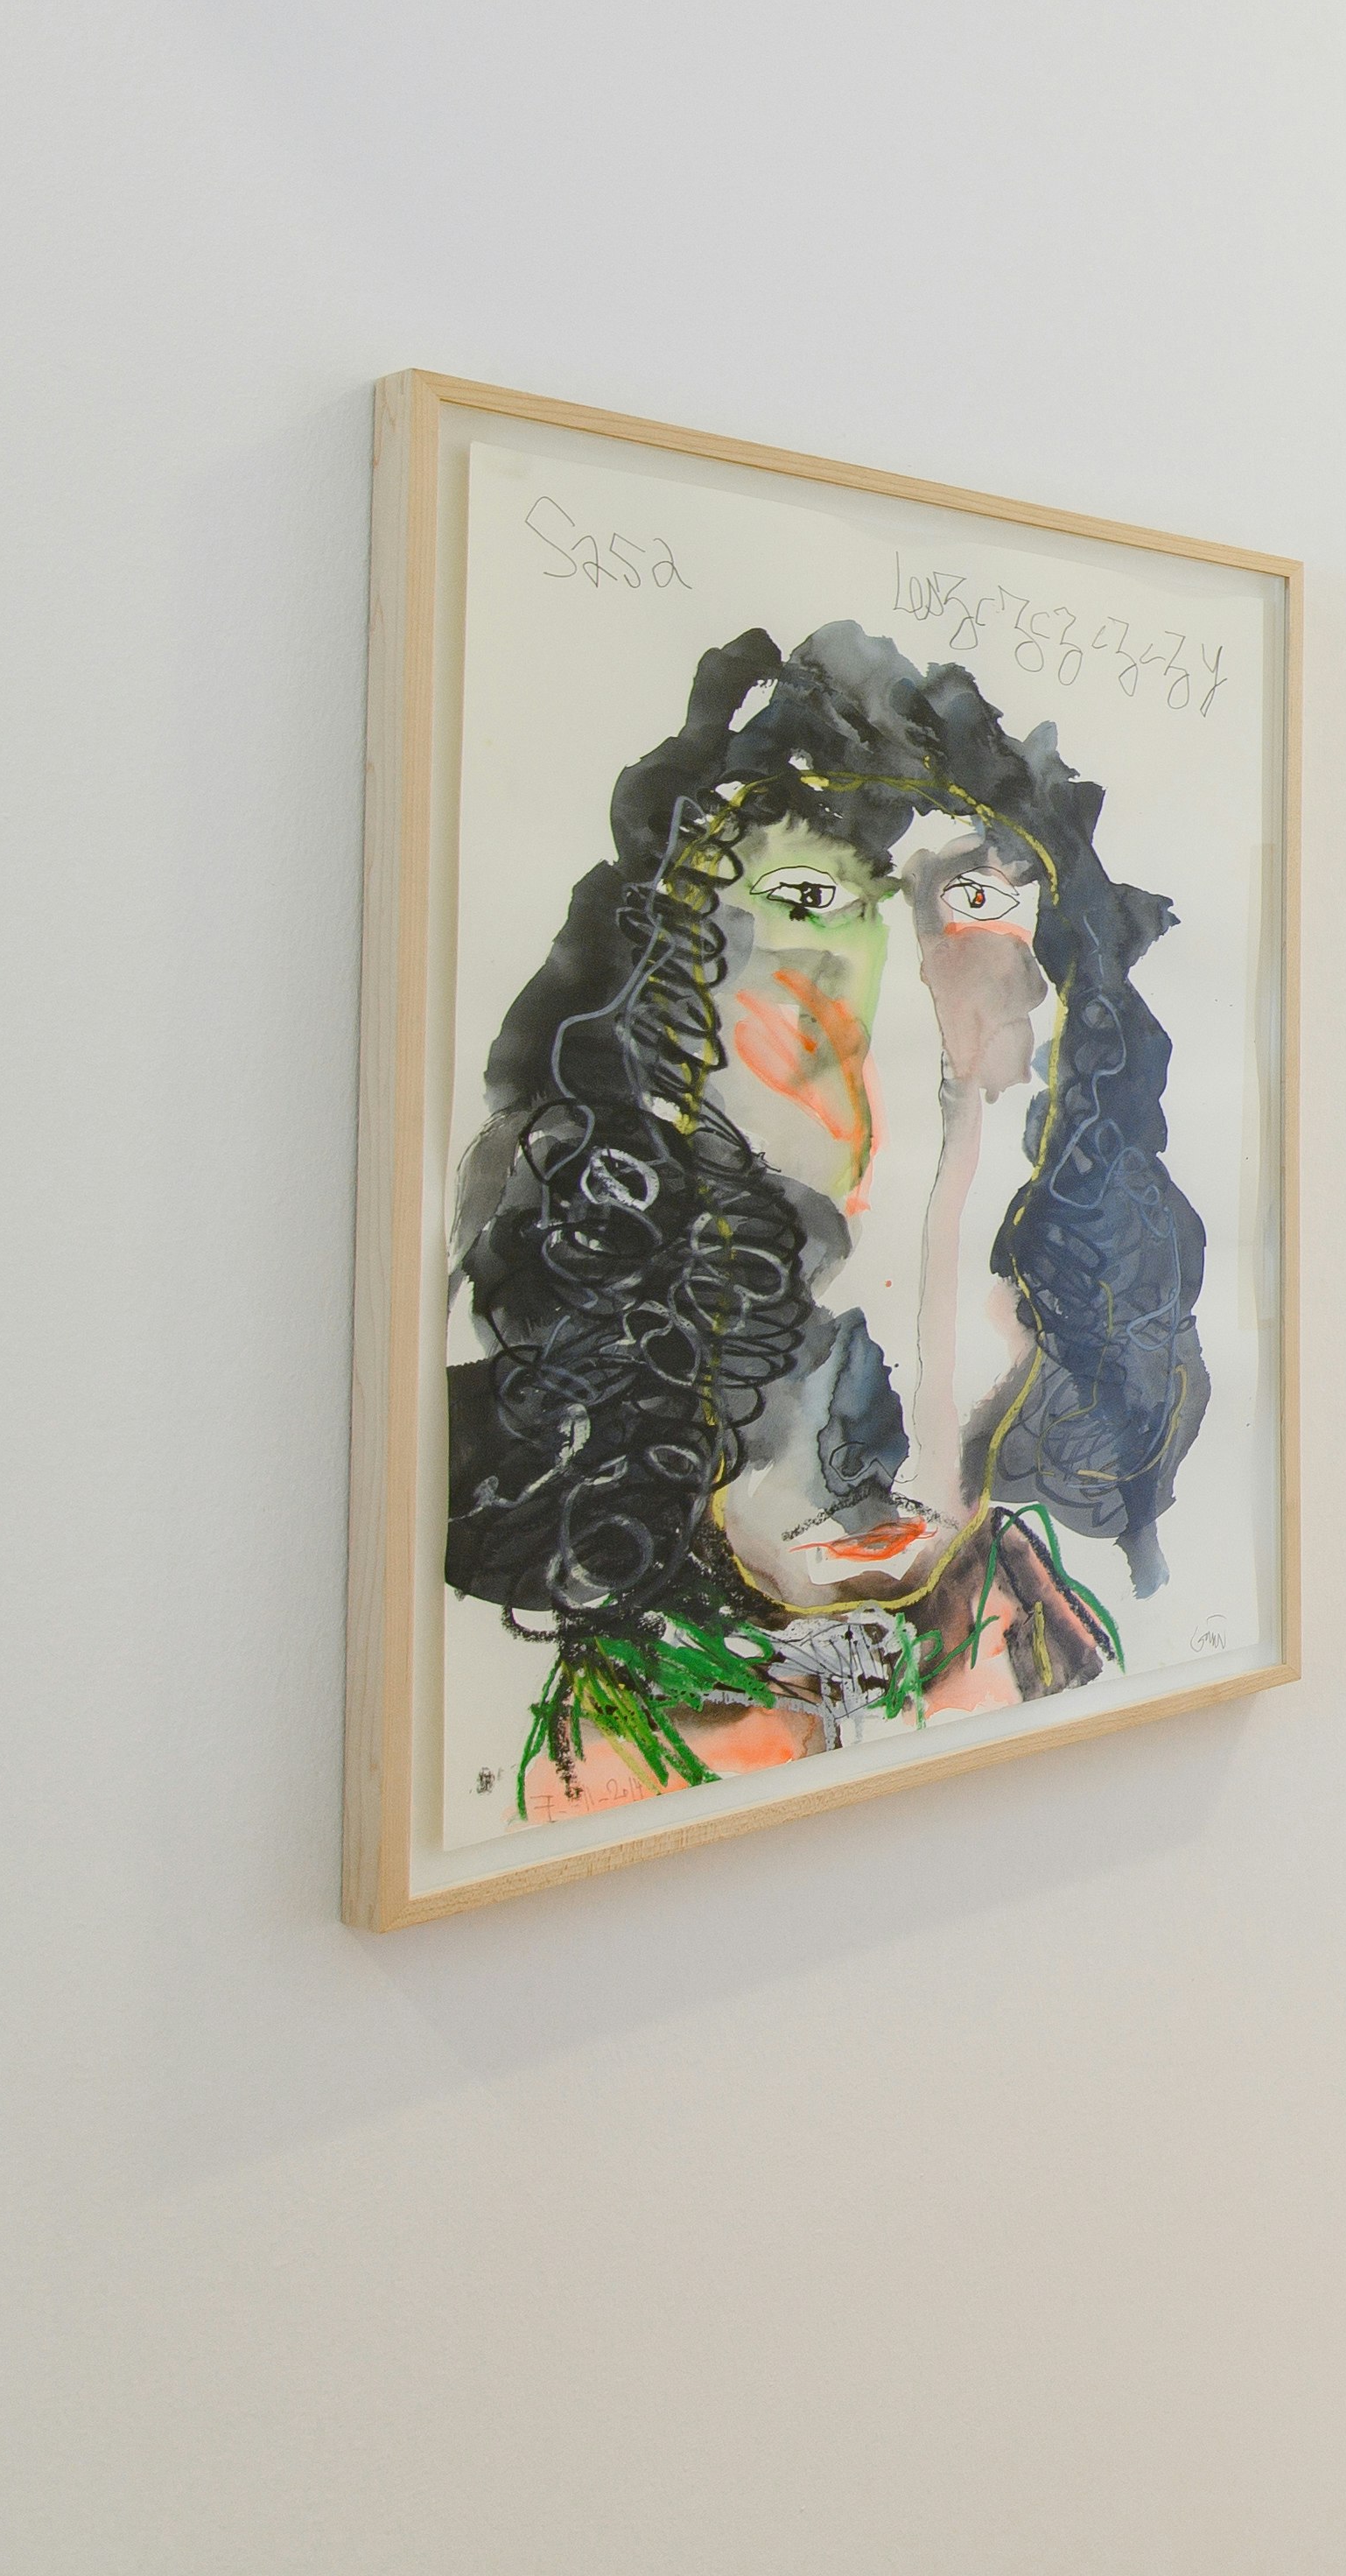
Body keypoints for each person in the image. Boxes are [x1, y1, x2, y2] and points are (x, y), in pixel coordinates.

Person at [448, 622, 1212, 1821]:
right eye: (771, 1299)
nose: (884, 1443)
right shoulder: (594, 1778)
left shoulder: (1059, 1667)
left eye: (962, 1276)